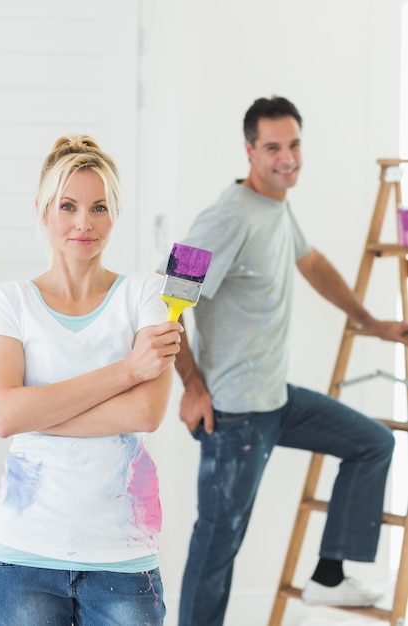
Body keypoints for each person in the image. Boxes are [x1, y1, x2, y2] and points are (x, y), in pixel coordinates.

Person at [157, 96, 408, 626]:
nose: (287, 158)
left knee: (373, 443)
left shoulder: (275, 205)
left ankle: (329, 577)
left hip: (275, 398)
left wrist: (372, 322)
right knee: (216, 551)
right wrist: (193, 387)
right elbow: (166, 298)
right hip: (233, 416)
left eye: (294, 145)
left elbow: (310, 262)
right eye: (273, 147)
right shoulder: (226, 217)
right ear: (249, 150)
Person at [0, 134, 183, 626]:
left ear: (115, 213)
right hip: (22, 556)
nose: (83, 223)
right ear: (42, 209)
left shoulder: (149, 293)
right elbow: (4, 415)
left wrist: (38, 410)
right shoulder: (8, 302)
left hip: (122, 558)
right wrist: (127, 371)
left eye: (99, 207)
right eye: (68, 205)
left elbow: (145, 413)